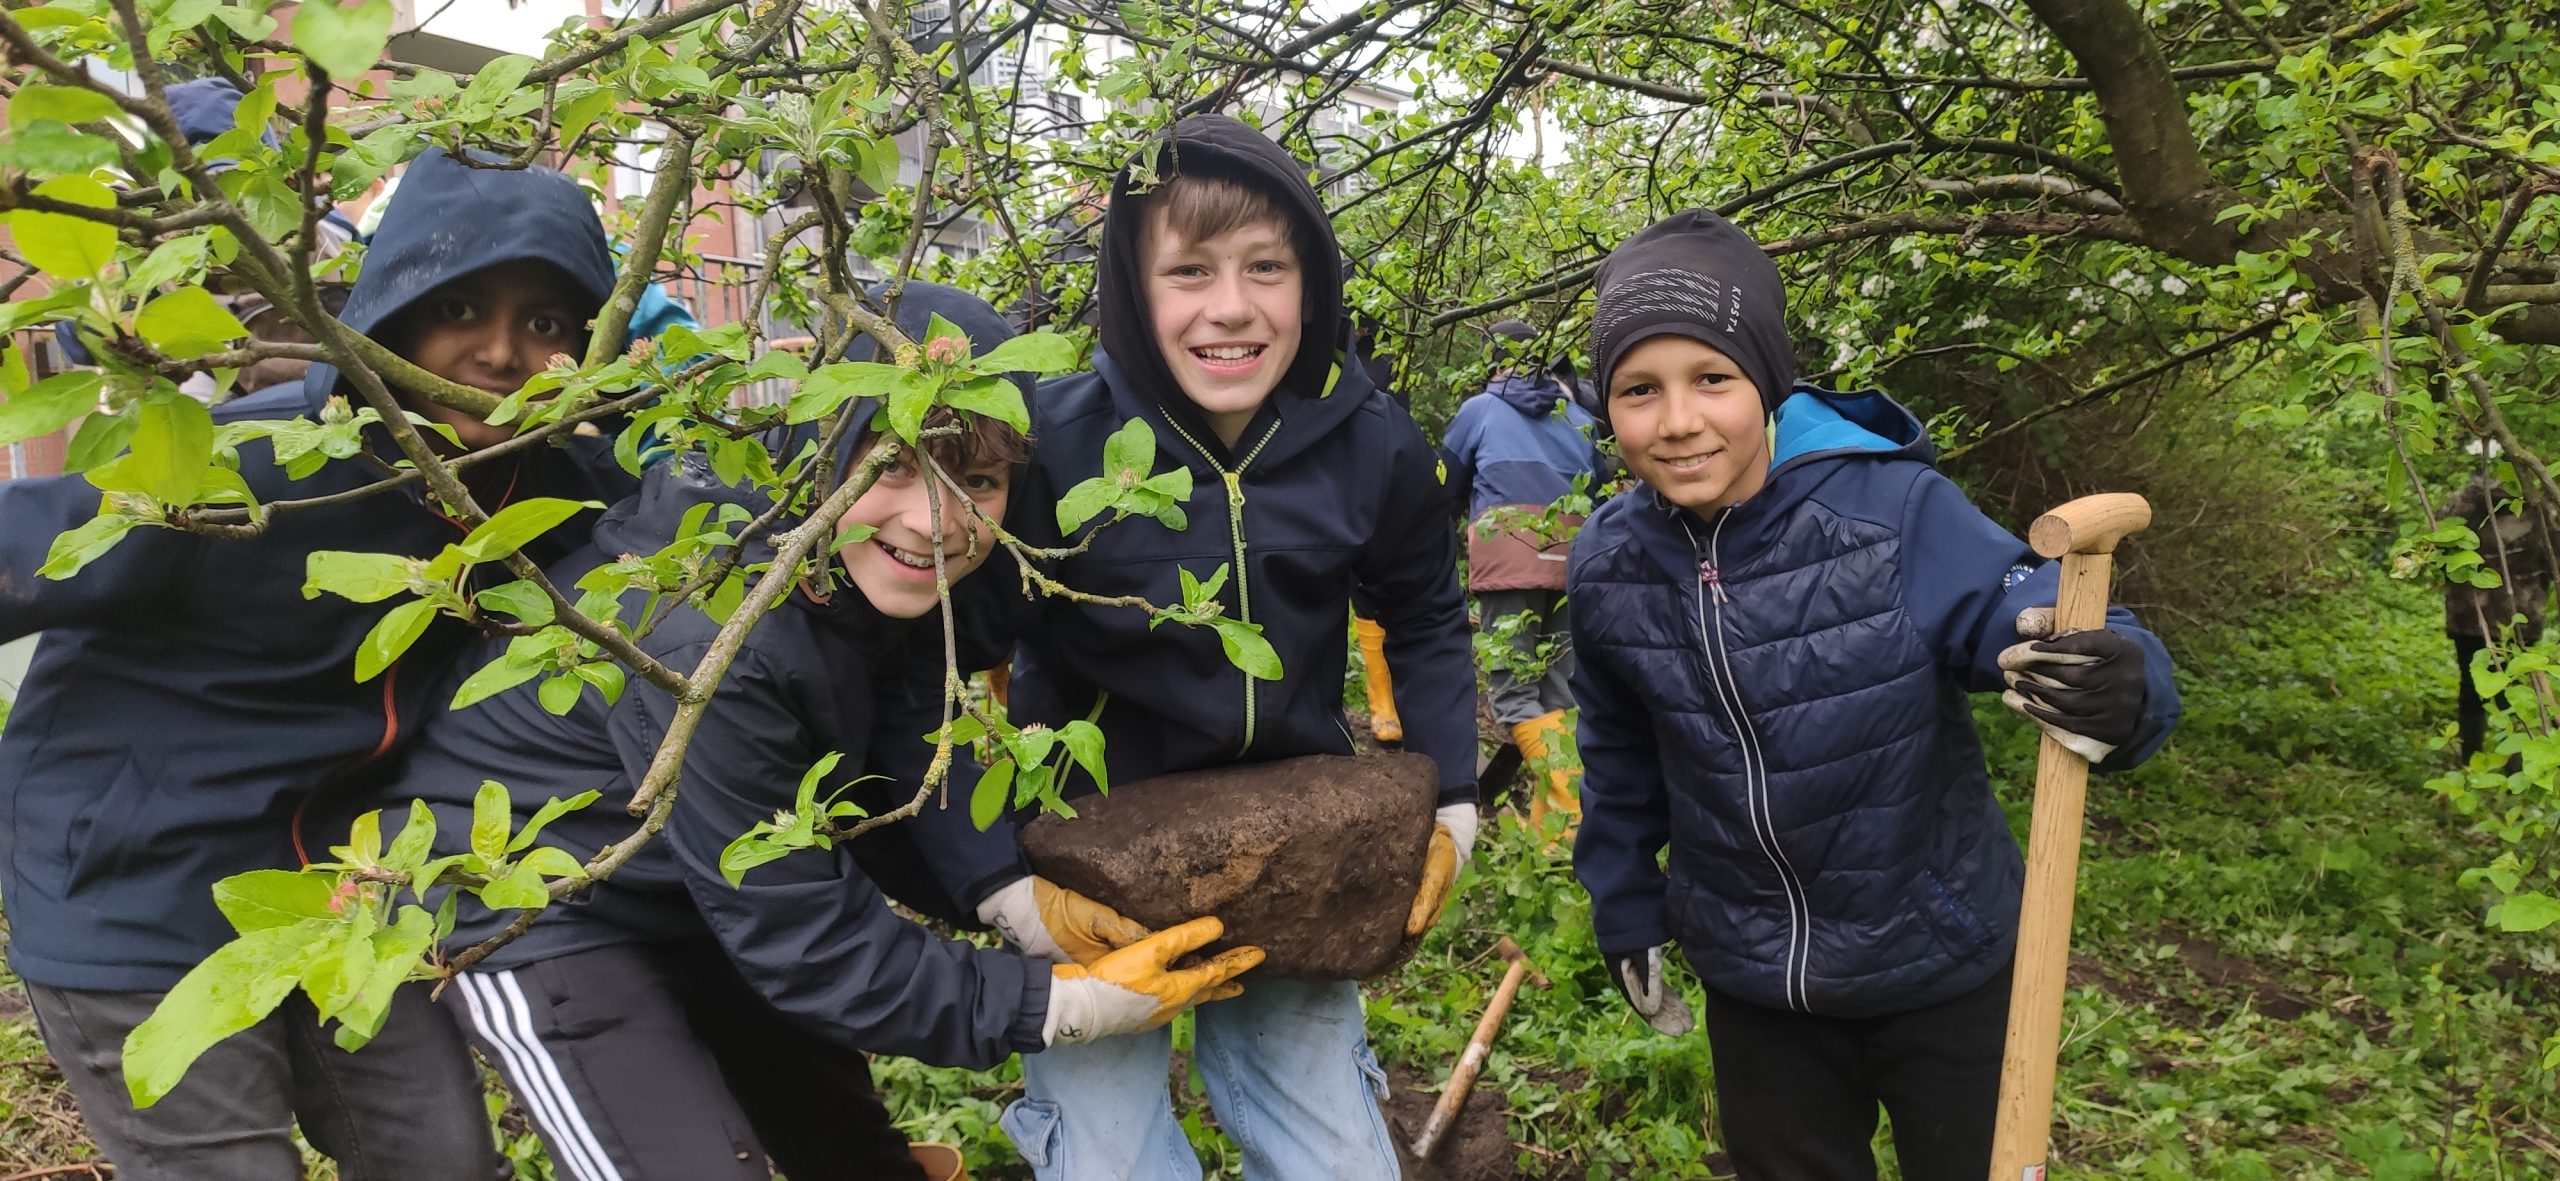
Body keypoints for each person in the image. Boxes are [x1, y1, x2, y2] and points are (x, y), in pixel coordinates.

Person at [383, 283, 1258, 1181]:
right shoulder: (717, 639)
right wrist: (1057, 1004)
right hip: (547, 911)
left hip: (711, 886)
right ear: (821, 446)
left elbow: (890, 750)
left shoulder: (858, 575)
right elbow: (810, 942)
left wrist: (1002, 892)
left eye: (978, 480)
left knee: (856, 1160)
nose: (934, 521)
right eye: (894, 464)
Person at [0, 146, 643, 1180]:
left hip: (345, 894)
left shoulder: (560, 497)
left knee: (441, 1158)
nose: (499, 352)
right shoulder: (250, 467)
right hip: (134, 889)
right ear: (392, 314)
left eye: (547, 323)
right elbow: (21, 548)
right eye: (460, 308)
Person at [1565, 209, 2182, 1181]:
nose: (1677, 421)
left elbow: (2026, 607)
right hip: (1757, 981)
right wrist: (1626, 903)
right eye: (1639, 389)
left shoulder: (1889, 513)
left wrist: (2123, 680)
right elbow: (1619, 749)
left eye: (1711, 378)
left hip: (1939, 963)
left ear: (1766, 380)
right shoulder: (1608, 562)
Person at [990, 114, 1479, 1180]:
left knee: (1337, 1159)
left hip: (1294, 851)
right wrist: (1002, 882)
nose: (1231, 306)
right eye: (1189, 270)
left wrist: (1452, 802)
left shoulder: (1368, 438)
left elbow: (1425, 610)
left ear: (1312, 282)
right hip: (1095, 865)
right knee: (1107, 1161)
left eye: (1266, 266)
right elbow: (955, 651)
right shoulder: (1055, 447)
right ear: (1133, 288)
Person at [1439, 318, 1606, 835]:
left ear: (1492, 362)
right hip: (1573, 560)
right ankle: (1552, 836)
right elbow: (1599, 486)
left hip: (1509, 556)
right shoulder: (1578, 417)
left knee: (1512, 696)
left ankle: (1572, 811)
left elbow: (1443, 484)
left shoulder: (1480, 410)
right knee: (1560, 696)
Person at [2445, 467, 2553, 760]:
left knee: (2471, 691)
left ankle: (2470, 762)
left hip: (2469, 615)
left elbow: (2441, 552)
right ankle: (2515, 769)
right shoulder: (2540, 509)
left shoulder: (2463, 505)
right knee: (2516, 695)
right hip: (2521, 617)